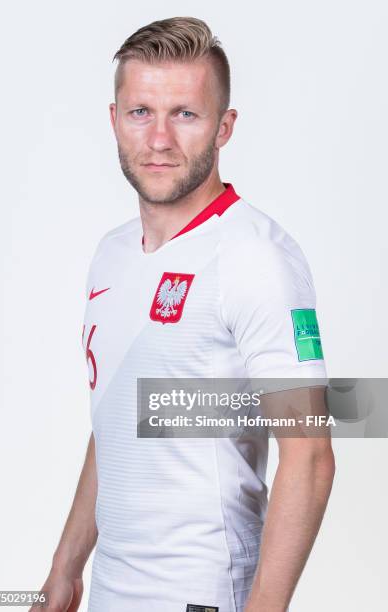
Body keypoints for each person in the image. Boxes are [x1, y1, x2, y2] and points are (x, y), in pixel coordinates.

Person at [33, 16, 335, 612]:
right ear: (114, 118)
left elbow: (311, 454)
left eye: (186, 114)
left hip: (202, 596)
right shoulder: (111, 255)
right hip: (112, 594)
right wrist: (66, 566)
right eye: (141, 111)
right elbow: (115, 419)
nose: (160, 139)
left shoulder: (255, 257)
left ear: (224, 128)